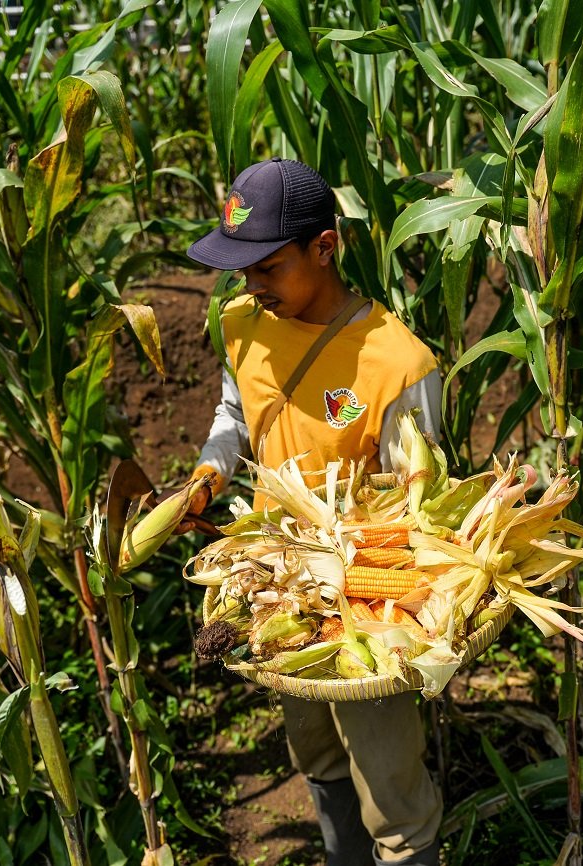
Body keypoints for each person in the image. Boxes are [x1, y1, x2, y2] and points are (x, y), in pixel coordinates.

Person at [182, 157, 444, 866]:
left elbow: (417, 501)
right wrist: (208, 475)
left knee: (388, 784)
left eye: (267, 267)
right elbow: (236, 412)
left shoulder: (398, 364)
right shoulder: (243, 322)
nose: (251, 285)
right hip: (278, 585)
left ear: (324, 247)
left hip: (364, 601)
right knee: (315, 750)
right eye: (241, 270)